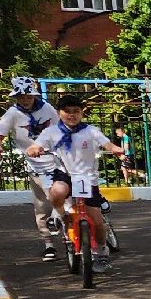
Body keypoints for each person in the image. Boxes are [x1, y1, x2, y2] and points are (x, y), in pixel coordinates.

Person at [26, 94, 126, 271]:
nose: (71, 115)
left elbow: (107, 144)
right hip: (64, 174)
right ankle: (60, 215)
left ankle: (101, 254)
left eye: (76, 111)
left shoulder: (90, 130)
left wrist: (116, 149)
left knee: (96, 220)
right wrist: (34, 149)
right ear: (59, 113)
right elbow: (38, 144)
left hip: (86, 177)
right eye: (67, 111)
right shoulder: (51, 131)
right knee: (56, 192)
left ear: (81, 113)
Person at [0, 77, 64, 260]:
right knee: (42, 205)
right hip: (35, 164)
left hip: (55, 158)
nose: (25, 100)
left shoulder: (46, 108)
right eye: (21, 97)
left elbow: (61, 128)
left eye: (28, 96)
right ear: (16, 97)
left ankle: (73, 240)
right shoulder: (12, 113)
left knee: (62, 195)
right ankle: (48, 244)